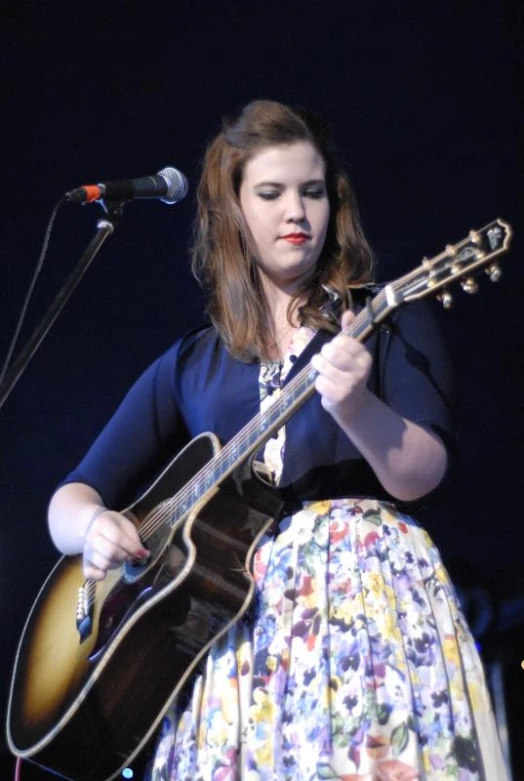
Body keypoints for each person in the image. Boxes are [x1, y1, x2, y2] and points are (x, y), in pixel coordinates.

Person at [48, 100, 507, 779]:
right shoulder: (191, 363)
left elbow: (422, 471)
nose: (297, 211)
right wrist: (94, 526)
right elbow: (68, 501)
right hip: (227, 643)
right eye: (271, 193)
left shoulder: (385, 314)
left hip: (363, 607)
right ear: (233, 209)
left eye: (312, 191)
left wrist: (355, 407)